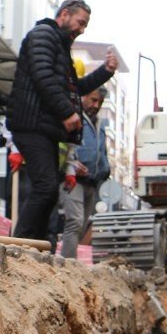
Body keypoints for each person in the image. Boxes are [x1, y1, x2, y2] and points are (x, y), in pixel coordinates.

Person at [7, 0, 117, 241]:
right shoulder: (43, 35)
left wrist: (105, 72)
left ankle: (37, 244)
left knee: (47, 192)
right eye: (81, 22)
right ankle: (22, 242)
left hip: (44, 129)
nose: (82, 29)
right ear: (65, 14)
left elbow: (74, 89)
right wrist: (66, 113)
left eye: (85, 25)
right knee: (45, 188)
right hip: (31, 126)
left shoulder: (59, 46)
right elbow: (43, 76)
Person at [59, 86, 110, 258]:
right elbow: (62, 143)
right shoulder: (74, 118)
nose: (96, 105)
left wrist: (105, 171)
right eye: (93, 100)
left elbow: (102, 151)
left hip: (91, 182)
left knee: (81, 225)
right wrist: (71, 164)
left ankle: (68, 259)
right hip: (73, 178)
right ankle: (67, 264)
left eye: (100, 102)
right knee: (74, 221)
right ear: (84, 97)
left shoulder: (99, 124)